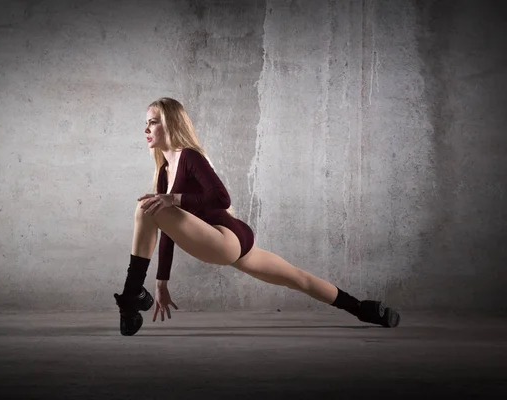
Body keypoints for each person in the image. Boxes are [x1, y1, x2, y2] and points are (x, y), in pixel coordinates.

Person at [113, 97, 401, 336]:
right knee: (298, 278)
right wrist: (161, 283)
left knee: (147, 206)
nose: (146, 129)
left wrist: (172, 199)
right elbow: (168, 232)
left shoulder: (189, 157)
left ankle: (131, 296)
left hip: (225, 236)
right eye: (146, 123)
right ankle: (364, 309)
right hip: (233, 244)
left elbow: (222, 198)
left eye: (153, 121)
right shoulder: (164, 172)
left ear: (171, 123)